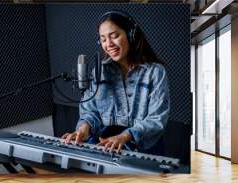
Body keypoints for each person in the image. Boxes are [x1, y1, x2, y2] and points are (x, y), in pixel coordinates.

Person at [62, 10, 170, 154]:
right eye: (103, 39)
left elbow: (157, 119)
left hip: (144, 149)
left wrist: (124, 136)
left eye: (114, 36)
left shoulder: (155, 72)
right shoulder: (99, 72)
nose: (109, 44)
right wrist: (83, 129)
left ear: (131, 35)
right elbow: (90, 111)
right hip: (107, 146)